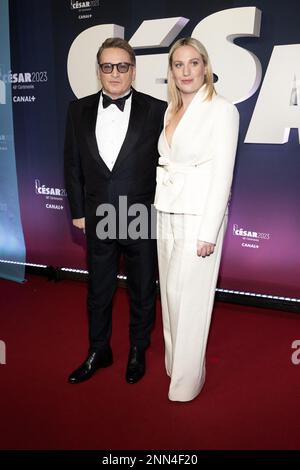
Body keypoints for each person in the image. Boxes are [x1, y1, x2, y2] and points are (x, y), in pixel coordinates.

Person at [64, 37, 166, 385]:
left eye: (122, 66)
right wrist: (78, 210)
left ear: (133, 70)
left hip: (138, 213)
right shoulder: (77, 110)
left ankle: (138, 348)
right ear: (98, 71)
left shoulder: (156, 109)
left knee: (141, 288)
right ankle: (99, 350)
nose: (115, 73)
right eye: (107, 66)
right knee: (99, 290)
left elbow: (166, 164)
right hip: (97, 215)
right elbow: (72, 164)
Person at [154, 37, 239, 402]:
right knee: (169, 296)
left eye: (193, 63)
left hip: (198, 216)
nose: (186, 71)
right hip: (166, 211)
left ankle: (187, 383)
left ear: (205, 67)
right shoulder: (171, 110)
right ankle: (176, 365)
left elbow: (223, 174)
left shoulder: (222, 110)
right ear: (171, 71)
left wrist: (209, 231)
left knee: (187, 297)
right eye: (178, 64)